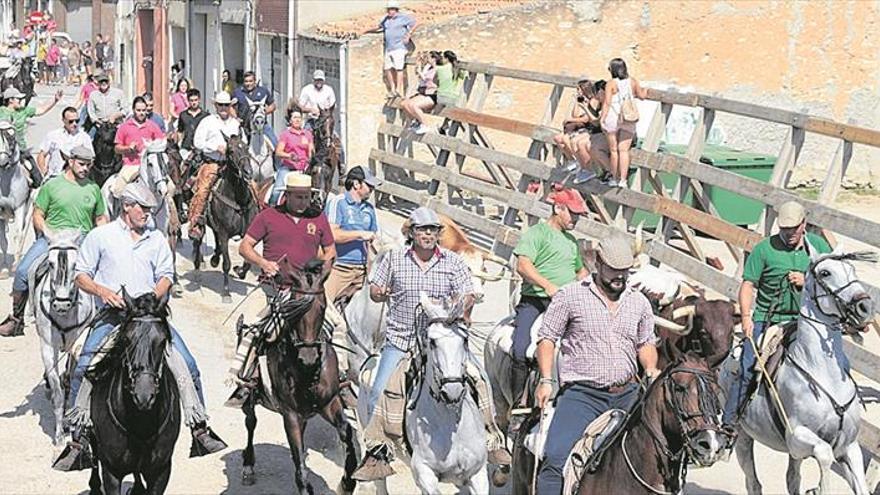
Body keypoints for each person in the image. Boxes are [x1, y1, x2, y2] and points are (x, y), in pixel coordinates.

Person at [52, 181, 227, 471]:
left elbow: (167, 275)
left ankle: (199, 427)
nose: (147, 213)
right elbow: (81, 275)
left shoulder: (156, 238)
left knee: (188, 365)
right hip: (112, 317)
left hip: (148, 318)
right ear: (127, 207)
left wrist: (152, 298)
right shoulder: (101, 236)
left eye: (148, 208)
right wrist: (103, 292)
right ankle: (78, 437)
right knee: (84, 366)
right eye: (143, 208)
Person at [351, 206, 510, 481]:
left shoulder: (453, 261)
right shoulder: (394, 259)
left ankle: (492, 440)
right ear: (412, 233)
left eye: (433, 230)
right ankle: (378, 452)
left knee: (480, 379)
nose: (427, 235)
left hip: (444, 339)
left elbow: (468, 291)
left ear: (438, 234)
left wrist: (462, 302)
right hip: (402, 340)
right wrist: (379, 293)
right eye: (422, 229)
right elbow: (375, 288)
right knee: (378, 390)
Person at [534, 235, 659, 494]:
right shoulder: (570, 296)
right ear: (598, 263)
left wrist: (649, 368)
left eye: (625, 271)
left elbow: (646, 343)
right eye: (614, 269)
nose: (620, 277)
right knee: (556, 458)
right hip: (583, 395)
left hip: (628, 393)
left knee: (661, 451)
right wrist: (546, 380)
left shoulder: (639, 302)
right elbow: (547, 339)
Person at [226, 172, 336, 406]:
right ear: (286, 196)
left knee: (340, 326)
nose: (303, 202)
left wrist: (321, 274)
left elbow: (330, 251)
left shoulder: (318, 218)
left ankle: (342, 379)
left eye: (306, 197)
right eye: (298, 197)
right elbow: (245, 247)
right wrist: (264, 263)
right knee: (254, 328)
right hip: (274, 288)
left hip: (309, 291)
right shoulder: (268, 216)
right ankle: (247, 379)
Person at [722, 201, 832, 426]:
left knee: (834, 359)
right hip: (769, 317)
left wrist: (807, 280)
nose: (789, 233)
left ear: (804, 224)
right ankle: (729, 424)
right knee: (747, 368)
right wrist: (746, 318)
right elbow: (747, 285)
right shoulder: (764, 249)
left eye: (793, 228)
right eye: (784, 229)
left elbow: (832, 277)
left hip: (806, 318)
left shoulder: (819, 246)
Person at [0, 145, 108, 338]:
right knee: (23, 272)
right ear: (70, 161)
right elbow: (38, 214)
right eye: (82, 164)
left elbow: (100, 218)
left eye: (88, 165)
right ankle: (16, 319)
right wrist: (48, 232)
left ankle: (105, 317)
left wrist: (104, 236)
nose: (85, 168)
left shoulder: (94, 189)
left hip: (82, 239)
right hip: (53, 238)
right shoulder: (52, 185)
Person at [509, 187, 589, 409]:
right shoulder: (537, 233)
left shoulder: (572, 242)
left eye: (579, 215)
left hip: (564, 303)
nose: (577, 219)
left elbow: (580, 272)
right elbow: (523, 265)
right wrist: (548, 286)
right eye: (573, 213)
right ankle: (518, 405)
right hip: (535, 300)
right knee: (520, 347)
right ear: (558, 208)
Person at [323, 166, 381, 377]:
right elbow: (332, 234)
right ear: (357, 184)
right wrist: (360, 234)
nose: (372, 189)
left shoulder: (369, 209)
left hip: (364, 270)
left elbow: (376, 238)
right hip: (340, 267)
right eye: (369, 185)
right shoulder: (338, 203)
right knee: (322, 306)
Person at [188, 91, 241, 240]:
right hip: (213, 162)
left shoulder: (235, 124)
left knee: (250, 185)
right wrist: (215, 147)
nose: (223, 108)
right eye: (221, 105)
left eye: (226, 105)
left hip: (232, 164)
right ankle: (196, 223)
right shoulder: (207, 121)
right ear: (216, 106)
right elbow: (197, 142)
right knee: (203, 190)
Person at [599, 58, 647, 188]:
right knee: (624, 150)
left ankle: (614, 178)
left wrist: (602, 119)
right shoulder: (633, 81)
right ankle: (623, 180)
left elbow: (607, 103)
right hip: (628, 117)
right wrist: (646, 90)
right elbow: (642, 96)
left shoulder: (611, 84)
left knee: (614, 151)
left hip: (613, 117)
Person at [0, 86, 62, 184]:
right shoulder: (1, 111)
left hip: (21, 150)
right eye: (19, 99)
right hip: (3, 151)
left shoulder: (24, 111)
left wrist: (55, 100)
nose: (22, 101)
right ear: (10, 100)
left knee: (37, 179)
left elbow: (41, 110)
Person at [110, 96, 164, 197]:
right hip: (131, 165)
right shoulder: (125, 126)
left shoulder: (152, 126)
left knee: (170, 188)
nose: (141, 113)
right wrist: (128, 148)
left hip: (151, 166)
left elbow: (161, 142)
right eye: (138, 110)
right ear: (133, 110)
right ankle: (118, 211)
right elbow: (117, 148)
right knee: (117, 189)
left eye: (144, 110)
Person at [363, 0, 417, 99]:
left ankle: (398, 89)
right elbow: (379, 28)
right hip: (389, 48)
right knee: (387, 68)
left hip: (399, 47)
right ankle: (392, 88)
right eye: (388, 9)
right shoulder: (386, 20)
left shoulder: (403, 18)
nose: (389, 11)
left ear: (396, 10)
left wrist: (409, 34)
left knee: (398, 68)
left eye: (391, 9)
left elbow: (415, 23)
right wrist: (367, 31)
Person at [269, 109, 313, 206]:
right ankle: (271, 208)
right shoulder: (285, 134)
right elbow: (278, 152)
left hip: (304, 169)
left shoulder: (308, 134)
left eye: (299, 118)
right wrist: (289, 156)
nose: (297, 120)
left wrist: (311, 159)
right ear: (290, 121)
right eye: (295, 117)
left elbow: (310, 152)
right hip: (288, 169)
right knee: (276, 191)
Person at [36, 106, 93, 179]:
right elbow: (41, 155)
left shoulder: (84, 137)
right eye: (71, 121)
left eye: (77, 121)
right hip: (55, 176)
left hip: (75, 179)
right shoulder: (53, 135)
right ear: (63, 120)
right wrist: (44, 170)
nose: (75, 124)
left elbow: (91, 159)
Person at [232, 71, 277, 146]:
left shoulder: (263, 91)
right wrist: (236, 118)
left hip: (261, 125)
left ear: (255, 81)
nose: (248, 84)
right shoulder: (238, 92)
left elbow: (272, 105)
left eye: (250, 81)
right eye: (246, 81)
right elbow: (230, 107)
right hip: (243, 126)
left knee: (275, 144)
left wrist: (265, 111)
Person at [401, 51, 439, 135]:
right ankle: (416, 121)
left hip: (433, 94)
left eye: (429, 57)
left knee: (413, 105)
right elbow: (421, 77)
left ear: (434, 59)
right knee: (404, 103)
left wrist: (421, 73)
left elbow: (430, 80)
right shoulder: (428, 68)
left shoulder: (437, 69)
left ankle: (425, 125)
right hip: (425, 92)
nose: (427, 59)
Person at [85, 72, 126, 137]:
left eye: (105, 81)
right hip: (99, 125)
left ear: (109, 82)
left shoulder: (118, 93)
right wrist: (97, 121)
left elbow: (125, 109)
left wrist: (116, 116)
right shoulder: (93, 95)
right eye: (101, 81)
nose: (104, 83)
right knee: (89, 140)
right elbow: (91, 111)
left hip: (116, 125)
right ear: (98, 83)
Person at [175, 88, 209, 159]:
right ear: (188, 101)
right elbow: (180, 131)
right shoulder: (183, 115)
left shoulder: (206, 116)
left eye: (196, 100)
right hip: (186, 148)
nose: (194, 103)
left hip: (201, 149)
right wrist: (179, 143)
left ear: (199, 100)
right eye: (191, 100)